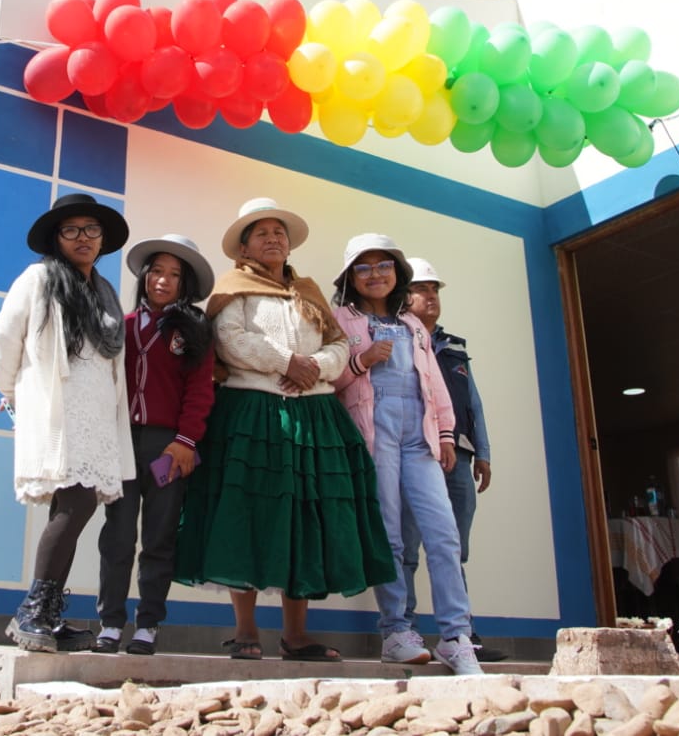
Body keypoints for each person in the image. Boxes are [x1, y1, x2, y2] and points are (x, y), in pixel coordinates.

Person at [174, 198, 393, 662]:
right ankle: (246, 631)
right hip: (251, 413)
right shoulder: (234, 289)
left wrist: (313, 367)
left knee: (304, 517)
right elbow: (229, 340)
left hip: (314, 415)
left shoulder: (308, 292)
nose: (273, 238)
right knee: (247, 514)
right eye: (262, 233)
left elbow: (338, 343)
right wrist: (286, 362)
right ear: (244, 248)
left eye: (279, 232)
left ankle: (296, 636)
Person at [0, 192, 136, 653]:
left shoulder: (104, 292)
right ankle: (33, 612)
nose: (83, 238)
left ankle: (47, 614)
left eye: (91, 229)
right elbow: (4, 339)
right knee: (76, 505)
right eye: (71, 230)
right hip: (57, 409)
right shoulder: (38, 278)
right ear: (57, 238)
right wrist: (12, 393)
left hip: (96, 413)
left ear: (102, 239)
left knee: (74, 507)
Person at [330, 234, 482, 674]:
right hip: (374, 433)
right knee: (390, 536)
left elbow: (434, 382)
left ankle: (456, 636)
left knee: (444, 534)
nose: (375, 274)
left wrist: (447, 435)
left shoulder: (413, 324)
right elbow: (329, 377)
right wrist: (360, 362)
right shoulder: (341, 319)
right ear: (350, 277)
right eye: (364, 267)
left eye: (384, 266)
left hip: (420, 438)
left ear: (397, 273)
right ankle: (396, 631)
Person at [93, 233, 216, 657]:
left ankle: (148, 625)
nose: (163, 280)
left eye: (174, 275)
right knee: (117, 535)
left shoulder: (195, 331)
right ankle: (110, 622)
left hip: (169, 448)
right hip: (122, 443)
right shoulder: (121, 325)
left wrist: (185, 441)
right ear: (145, 276)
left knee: (160, 537)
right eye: (157, 271)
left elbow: (200, 391)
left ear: (186, 284)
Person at [403, 256, 506, 662]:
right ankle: (404, 631)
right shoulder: (397, 338)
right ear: (404, 295)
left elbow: (473, 403)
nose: (430, 296)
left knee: (453, 547)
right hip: (416, 453)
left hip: (459, 457)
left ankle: (463, 635)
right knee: (407, 547)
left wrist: (483, 452)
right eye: (421, 289)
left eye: (434, 289)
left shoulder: (454, 347)